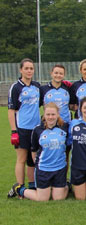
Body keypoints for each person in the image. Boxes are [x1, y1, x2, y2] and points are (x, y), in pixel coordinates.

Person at [10, 103, 69, 201]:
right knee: (42, 199)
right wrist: (39, 165)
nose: (50, 117)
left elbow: (67, 148)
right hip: (43, 169)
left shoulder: (64, 128)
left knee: (58, 198)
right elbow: (34, 151)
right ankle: (19, 189)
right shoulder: (37, 130)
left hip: (59, 169)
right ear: (44, 115)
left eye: (53, 114)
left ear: (58, 114)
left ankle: (67, 185)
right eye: (48, 114)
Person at [7, 58, 40, 197]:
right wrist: (14, 131)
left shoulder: (37, 86)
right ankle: (19, 188)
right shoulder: (16, 87)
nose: (29, 71)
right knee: (21, 159)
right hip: (22, 128)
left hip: (36, 129)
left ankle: (32, 186)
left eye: (31, 68)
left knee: (32, 160)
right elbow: (11, 110)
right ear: (21, 70)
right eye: (26, 68)